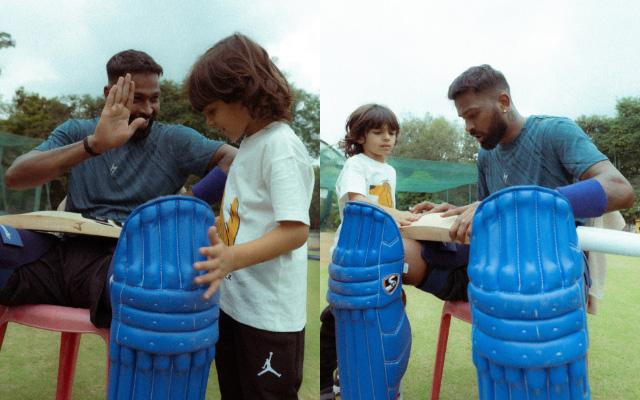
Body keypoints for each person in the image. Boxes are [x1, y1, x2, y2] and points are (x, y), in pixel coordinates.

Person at [1, 50, 237, 328]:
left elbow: (233, 159)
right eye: (137, 98)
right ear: (109, 93)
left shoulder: (173, 139)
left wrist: (181, 205)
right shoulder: (78, 131)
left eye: (155, 98)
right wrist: (93, 146)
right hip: (62, 254)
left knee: (150, 282)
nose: (148, 109)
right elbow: (16, 176)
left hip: (128, 258)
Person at [185, 33, 314, 400]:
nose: (210, 122)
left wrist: (230, 257)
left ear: (241, 92)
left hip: (269, 321)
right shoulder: (249, 146)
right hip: (235, 308)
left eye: (212, 110)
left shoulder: (282, 146)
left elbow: (295, 231)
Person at [321, 103, 465, 399]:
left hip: (382, 255)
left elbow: (386, 209)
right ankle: (329, 380)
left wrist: (407, 216)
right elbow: (359, 201)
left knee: (389, 308)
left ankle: (378, 379)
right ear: (360, 137)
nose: (387, 138)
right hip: (355, 256)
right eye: (378, 132)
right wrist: (394, 212)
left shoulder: (388, 170)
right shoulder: (356, 165)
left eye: (392, 132)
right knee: (340, 317)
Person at [412, 64, 634, 243]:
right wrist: (453, 214)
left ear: (503, 102)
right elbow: (490, 208)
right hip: (500, 263)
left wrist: (515, 204)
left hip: (555, 266)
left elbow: (620, 189)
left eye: (473, 115)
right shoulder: (485, 156)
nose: (468, 128)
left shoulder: (555, 131)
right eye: (464, 119)